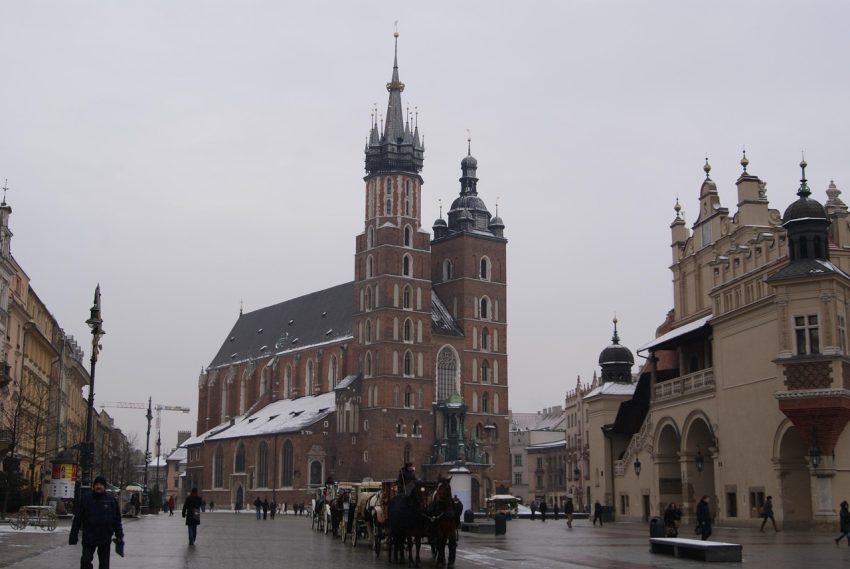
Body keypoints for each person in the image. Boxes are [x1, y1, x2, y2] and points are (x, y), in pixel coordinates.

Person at [69, 475, 124, 569]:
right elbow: (78, 518)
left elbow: (116, 520)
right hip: (89, 536)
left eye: (101, 485)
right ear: (93, 486)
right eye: (97, 484)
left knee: (104, 564)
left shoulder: (111, 500)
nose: (98, 486)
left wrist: (119, 535)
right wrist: (73, 535)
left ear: (104, 487)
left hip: (105, 536)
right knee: (85, 561)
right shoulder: (86, 499)